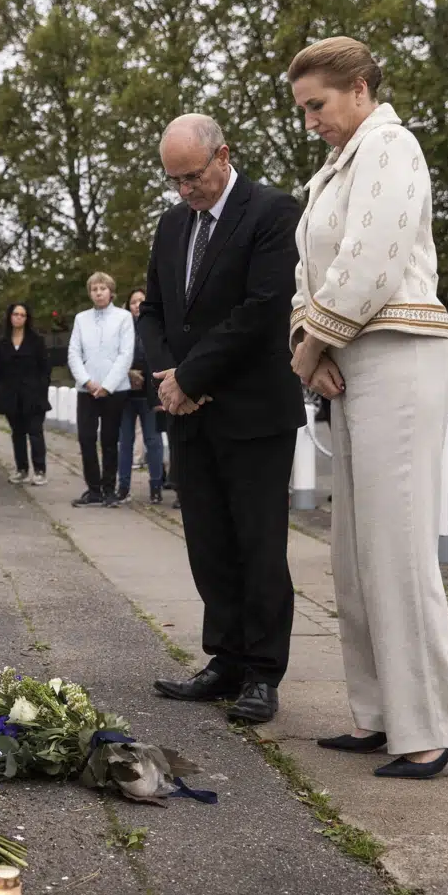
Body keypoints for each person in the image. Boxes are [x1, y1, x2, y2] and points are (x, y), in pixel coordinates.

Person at [287, 36, 448, 779]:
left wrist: (307, 349)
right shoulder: (337, 169)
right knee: (356, 553)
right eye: (303, 108)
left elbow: (370, 261)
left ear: (361, 87)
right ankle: (383, 714)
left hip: (401, 356)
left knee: (396, 549)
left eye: (319, 104)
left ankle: (430, 724)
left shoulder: (392, 148)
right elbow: (313, 270)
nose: (310, 121)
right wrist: (320, 346)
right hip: (354, 359)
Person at [136, 113, 305, 724]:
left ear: (223, 156)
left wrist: (191, 378)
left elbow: (262, 310)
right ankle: (224, 659)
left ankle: (263, 671)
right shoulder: (172, 225)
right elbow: (154, 313)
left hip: (253, 411)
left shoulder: (271, 212)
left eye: (193, 176)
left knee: (259, 545)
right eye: (174, 180)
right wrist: (169, 379)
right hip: (188, 411)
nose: (185, 191)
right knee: (208, 543)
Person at [66, 272, 135, 507]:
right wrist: (87, 381)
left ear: (111, 291)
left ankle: (109, 489)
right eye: (94, 289)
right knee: (86, 438)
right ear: (90, 293)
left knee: (109, 439)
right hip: (87, 390)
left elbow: (126, 354)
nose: (98, 292)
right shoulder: (81, 319)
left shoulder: (123, 318)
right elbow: (74, 352)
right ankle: (93, 489)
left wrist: (107, 386)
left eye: (102, 288)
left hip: (115, 390)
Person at [0, 302, 52, 486]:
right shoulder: (2, 344)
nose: (18, 317)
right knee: (17, 434)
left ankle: (40, 470)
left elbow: (45, 369)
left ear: (27, 318)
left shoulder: (36, 341)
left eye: (22, 315)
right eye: (15, 314)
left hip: (33, 396)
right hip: (10, 397)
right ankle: (21, 469)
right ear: (10, 317)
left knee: (35, 432)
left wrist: (41, 390)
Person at [116, 287, 166, 505]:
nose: (137, 305)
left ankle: (156, 486)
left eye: (141, 301)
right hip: (125, 392)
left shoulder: (154, 326)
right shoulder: (122, 327)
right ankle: (123, 486)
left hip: (149, 394)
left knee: (153, 441)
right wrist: (126, 372)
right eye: (133, 301)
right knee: (125, 442)